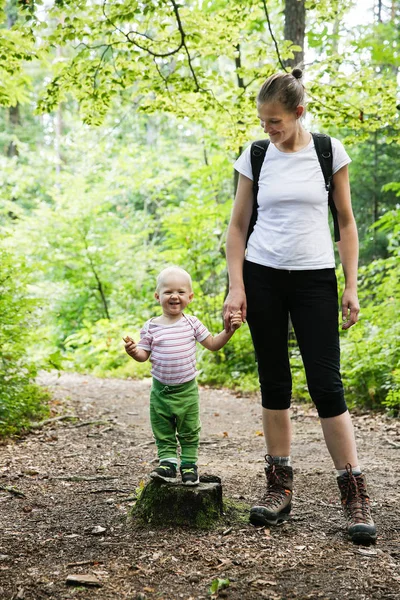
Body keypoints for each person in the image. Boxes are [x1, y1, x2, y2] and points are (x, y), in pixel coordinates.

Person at [223, 68, 376, 543]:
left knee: (326, 384)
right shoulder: (256, 154)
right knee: (273, 379)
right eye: (263, 120)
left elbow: (346, 224)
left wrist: (350, 285)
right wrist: (236, 286)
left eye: (275, 121)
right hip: (262, 276)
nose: (268, 128)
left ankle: (353, 493)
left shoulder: (328, 152)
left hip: (314, 278)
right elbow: (237, 227)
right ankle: (280, 488)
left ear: (298, 112)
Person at [124, 266, 242, 486]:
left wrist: (230, 330)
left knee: (189, 428)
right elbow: (143, 355)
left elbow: (214, 344)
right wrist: (133, 351)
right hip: (161, 390)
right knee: (163, 427)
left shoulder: (192, 323)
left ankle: (189, 464)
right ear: (157, 296)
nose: (174, 296)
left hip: (187, 390)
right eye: (168, 292)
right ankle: (167, 463)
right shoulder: (151, 326)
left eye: (180, 291)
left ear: (190, 296)